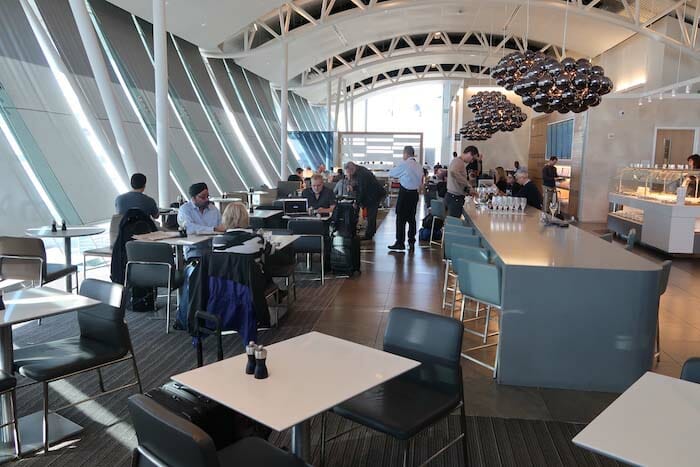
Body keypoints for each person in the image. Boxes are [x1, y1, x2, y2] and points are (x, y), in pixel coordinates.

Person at [388, 145, 423, 251]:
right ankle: (411, 241)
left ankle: (400, 242)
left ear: (406, 154)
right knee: (412, 218)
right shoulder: (418, 165)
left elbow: (392, 173)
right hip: (414, 194)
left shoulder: (405, 164)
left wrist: (399, 177)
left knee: (400, 218)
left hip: (405, 193)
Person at [178, 183, 225, 258]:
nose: (206, 199)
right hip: (194, 250)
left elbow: (222, 226)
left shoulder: (213, 209)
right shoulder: (185, 209)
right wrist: (213, 229)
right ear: (193, 198)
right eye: (203, 197)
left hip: (213, 249)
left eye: (207, 196)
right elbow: (189, 228)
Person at [344, 161, 386, 240]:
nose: (348, 174)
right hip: (371, 194)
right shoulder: (359, 170)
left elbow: (362, 190)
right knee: (370, 216)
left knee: (371, 216)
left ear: (352, 169)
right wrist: (354, 187)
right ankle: (370, 233)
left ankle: (369, 235)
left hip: (374, 195)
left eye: (348, 172)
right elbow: (360, 187)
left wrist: (357, 202)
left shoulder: (362, 174)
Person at [445, 146, 477, 217]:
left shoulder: (458, 161)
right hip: (455, 198)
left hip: (453, 196)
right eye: (473, 158)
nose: (472, 161)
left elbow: (458, 180)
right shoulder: (458, 161)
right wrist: (468, 185)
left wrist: (468, 190)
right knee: (454, 222)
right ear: (469, 153)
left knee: (453, 221)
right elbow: (453, 172)